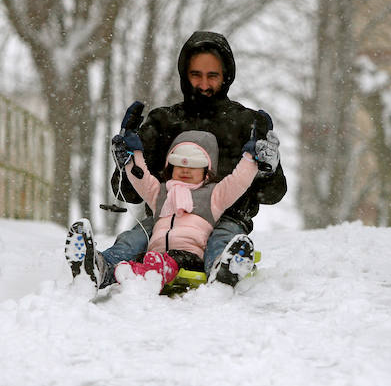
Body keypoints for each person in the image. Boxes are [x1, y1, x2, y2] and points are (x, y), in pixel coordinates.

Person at [65, 30, 286, 289]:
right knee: (133, 239)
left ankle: (223, 268)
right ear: (184, 74)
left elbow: (272, 194)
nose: (204, 85)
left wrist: (266, 168)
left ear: (226, 76)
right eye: (196, 75)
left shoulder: (246, 123)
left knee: (223, 238)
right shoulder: (164, 122)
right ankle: (101, 267)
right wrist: (125, 162)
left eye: (212, 76)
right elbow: (130, 193)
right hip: (166, 216)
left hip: (227, 217)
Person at [109, 129, 259, 287]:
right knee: (137, 258)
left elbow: (238, 181)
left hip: (190, 256)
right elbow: (140, 177)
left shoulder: (214, 195)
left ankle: (225, 269)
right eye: (179, 164)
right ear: (170, 166)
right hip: (155, 255)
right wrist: (133, 155)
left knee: (173, 258)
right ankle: (120, 272)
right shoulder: (160, 193)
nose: (185, 170)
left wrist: (250, 158)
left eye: (194, 166)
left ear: (206, 170)